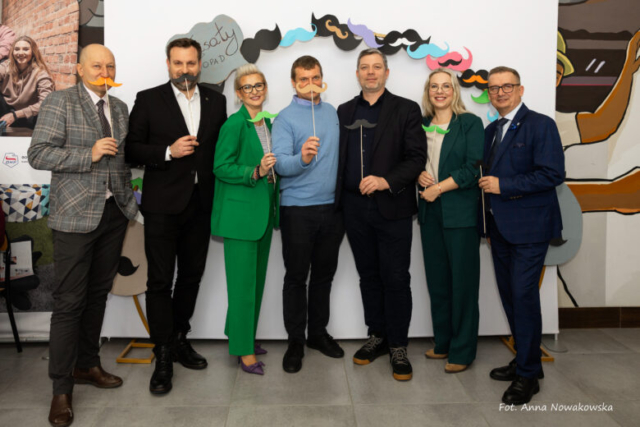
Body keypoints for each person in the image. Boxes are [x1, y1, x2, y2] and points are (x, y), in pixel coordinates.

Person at [27, 44, 138, 427]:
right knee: (69, 303)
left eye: (111, 65)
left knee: (97, 295)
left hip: (114, 215)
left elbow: (123, 160)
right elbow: (38, 154)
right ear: (79, 69)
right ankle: (61, 389)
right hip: (73, 217)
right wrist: (87, 154)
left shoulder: (119, 107)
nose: (105, 72)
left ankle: (87, 365)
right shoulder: (59, 102)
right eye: (96, 65)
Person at [125, 38, 227, 395]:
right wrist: (168, 151)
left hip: (201, 205)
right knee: (159, 281)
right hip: (162, 207)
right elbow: (131, 149)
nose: (185, 70)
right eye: (178, 63)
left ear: (200, 64)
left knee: (191, 278)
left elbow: (221, 150)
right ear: (168, 64)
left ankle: (180, 337)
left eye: (191, 63)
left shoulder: (217, 100)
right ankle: (163, 352)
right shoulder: (148, 99)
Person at [336, 48, 426, 381]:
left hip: (393, 207)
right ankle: (377, 335)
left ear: (387, 73)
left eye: (377, 67)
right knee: (369, 276)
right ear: (357, 73)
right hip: (354, 209)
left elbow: (416, 158)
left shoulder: (406, 109)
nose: (370, 72)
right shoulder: (344, 111)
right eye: (365, 67)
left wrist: (385, 180)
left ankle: (398, 345)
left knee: (396, 278)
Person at [478, 66, 564, 405]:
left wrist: (505, 185)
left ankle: (528, 376)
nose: (500, 92)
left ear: (520, 89)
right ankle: (526, 361)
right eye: (493, 88)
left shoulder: (541, 125)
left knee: (523, 296)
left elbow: (553, 173)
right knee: (511, 297)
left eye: (507, 86)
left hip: (530, 228)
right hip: (499, 229)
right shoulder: (491, 130)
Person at [271, 55, 345, 374]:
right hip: (298, 210)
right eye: (303, 79)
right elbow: (279, 164)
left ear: (322, 79)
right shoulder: (284, 118)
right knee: (296, 277)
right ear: (293, 83)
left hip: (333, 209)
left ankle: (317, 334)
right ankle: (295, 341)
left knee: (324, 276)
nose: (310, 84)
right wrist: (301, 158)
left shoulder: (332, 113)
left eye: (315, 77)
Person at [211, 64, 278, 375]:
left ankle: (243, 335)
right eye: (247, 87)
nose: (254, 91)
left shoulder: (267, 123)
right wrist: (255, 171)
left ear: (265, 88)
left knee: (255, 282)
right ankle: (243, 350)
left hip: (263, 214)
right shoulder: (234, 124)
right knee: (241, 286)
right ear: (238, 93)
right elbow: (221, 166)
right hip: (240, 218)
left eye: (258, 85)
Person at [417, 68, 483, 374]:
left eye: (446, 86)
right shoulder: (421, 125)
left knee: (463, 285)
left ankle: (463, 350)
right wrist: (418, 174)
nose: (440, 91)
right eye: (434, 86)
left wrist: (438, 188)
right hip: (429, 214)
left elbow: (473, 168)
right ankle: (443, 342)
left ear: (454, 91)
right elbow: (413, 160)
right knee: (438, 283)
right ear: (428, 91)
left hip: (460, 214)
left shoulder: (469, 123)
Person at [0, 36, 54, 129]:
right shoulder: (5, 67)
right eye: (17, 49)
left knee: (46, 112)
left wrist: (15, 115)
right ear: (12, 52)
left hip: (29, 114)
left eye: (25, 49)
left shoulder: (40, 73)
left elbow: (46, 103)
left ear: (33, 52)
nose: (20, 53)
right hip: (5, 109)